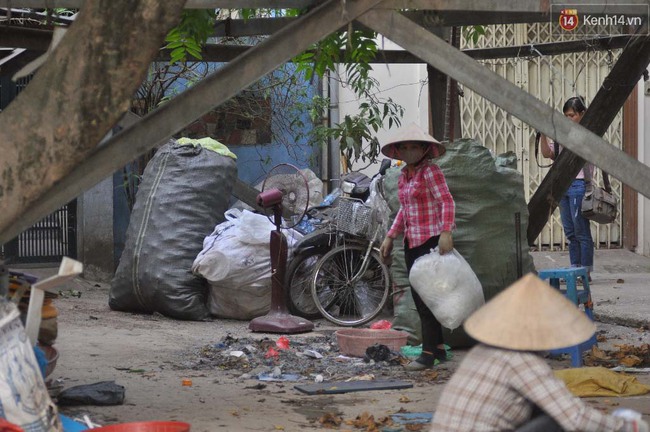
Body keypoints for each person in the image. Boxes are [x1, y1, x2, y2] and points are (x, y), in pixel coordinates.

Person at [431, 273, 649, 432]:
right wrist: (624, 426)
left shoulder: (480, 352)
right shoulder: (523, 362)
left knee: (543, 407)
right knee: (555, 422)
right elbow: (575, 418)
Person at [378, 122, 455, 371]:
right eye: (405, 147)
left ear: (424, 149)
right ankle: (440, 349)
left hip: (431, 243)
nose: (410, 151)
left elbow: (446, 201)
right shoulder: (404, 177)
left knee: (426, 300)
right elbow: (404, 210)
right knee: (424, 298)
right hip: (412, 243)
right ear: (398, 151)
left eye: (415, 146)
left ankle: (428, 354)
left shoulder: (430, 172)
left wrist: (446, 232)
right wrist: (390, 236)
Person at [540, 96, 594, 278]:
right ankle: (574, 268)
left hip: (579, 185)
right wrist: (543, 133)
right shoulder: (561, 134)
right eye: (566, 116)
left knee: (581, 231)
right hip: (563, 186)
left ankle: (585, 272)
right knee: (570, 232)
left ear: (582, 114)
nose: (569, 119)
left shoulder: (589, 133)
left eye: (572, 115)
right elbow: (548, 153)